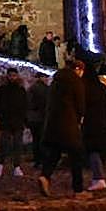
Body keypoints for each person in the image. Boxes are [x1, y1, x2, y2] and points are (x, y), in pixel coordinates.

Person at [38, 58, 85, 197]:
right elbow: (80, 104)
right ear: (77, 70)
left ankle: (45, 176)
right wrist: (79, 118)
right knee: (76, 156)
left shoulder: (56, 81)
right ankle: (78, 189)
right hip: (68, 124)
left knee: (54, 153)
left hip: (53, 125)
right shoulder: (76, 81)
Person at [82, 61, 106, 191]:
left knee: (93, 150)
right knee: (98, 150)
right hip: (103, 123)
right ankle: (97, 177)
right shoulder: (102, 88)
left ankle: (99, 178)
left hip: (91, 124)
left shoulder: (85, 88)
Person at [0, 68, 28, 177]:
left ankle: (16, 166)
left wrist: (23, 119)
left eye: (14, 75)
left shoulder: (21, 90)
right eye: (11, 75)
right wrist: (1, 116)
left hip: (17, 122)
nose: (12, 77)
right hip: (6, 121)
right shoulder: (2, 90)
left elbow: (25, 105)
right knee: (4, 144)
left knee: (17, 145)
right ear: (7, 76)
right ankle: (0, 165)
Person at [27, 72, 49, 171]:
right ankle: (43, 160)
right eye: (45, 77)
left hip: (33, 119)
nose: (47, 79)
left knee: (36, 140)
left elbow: (28, 103)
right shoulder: (44, 89)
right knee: (42, 140)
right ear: (41, 78)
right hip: (41, 118)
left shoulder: (31, 88)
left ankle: (37, 161)